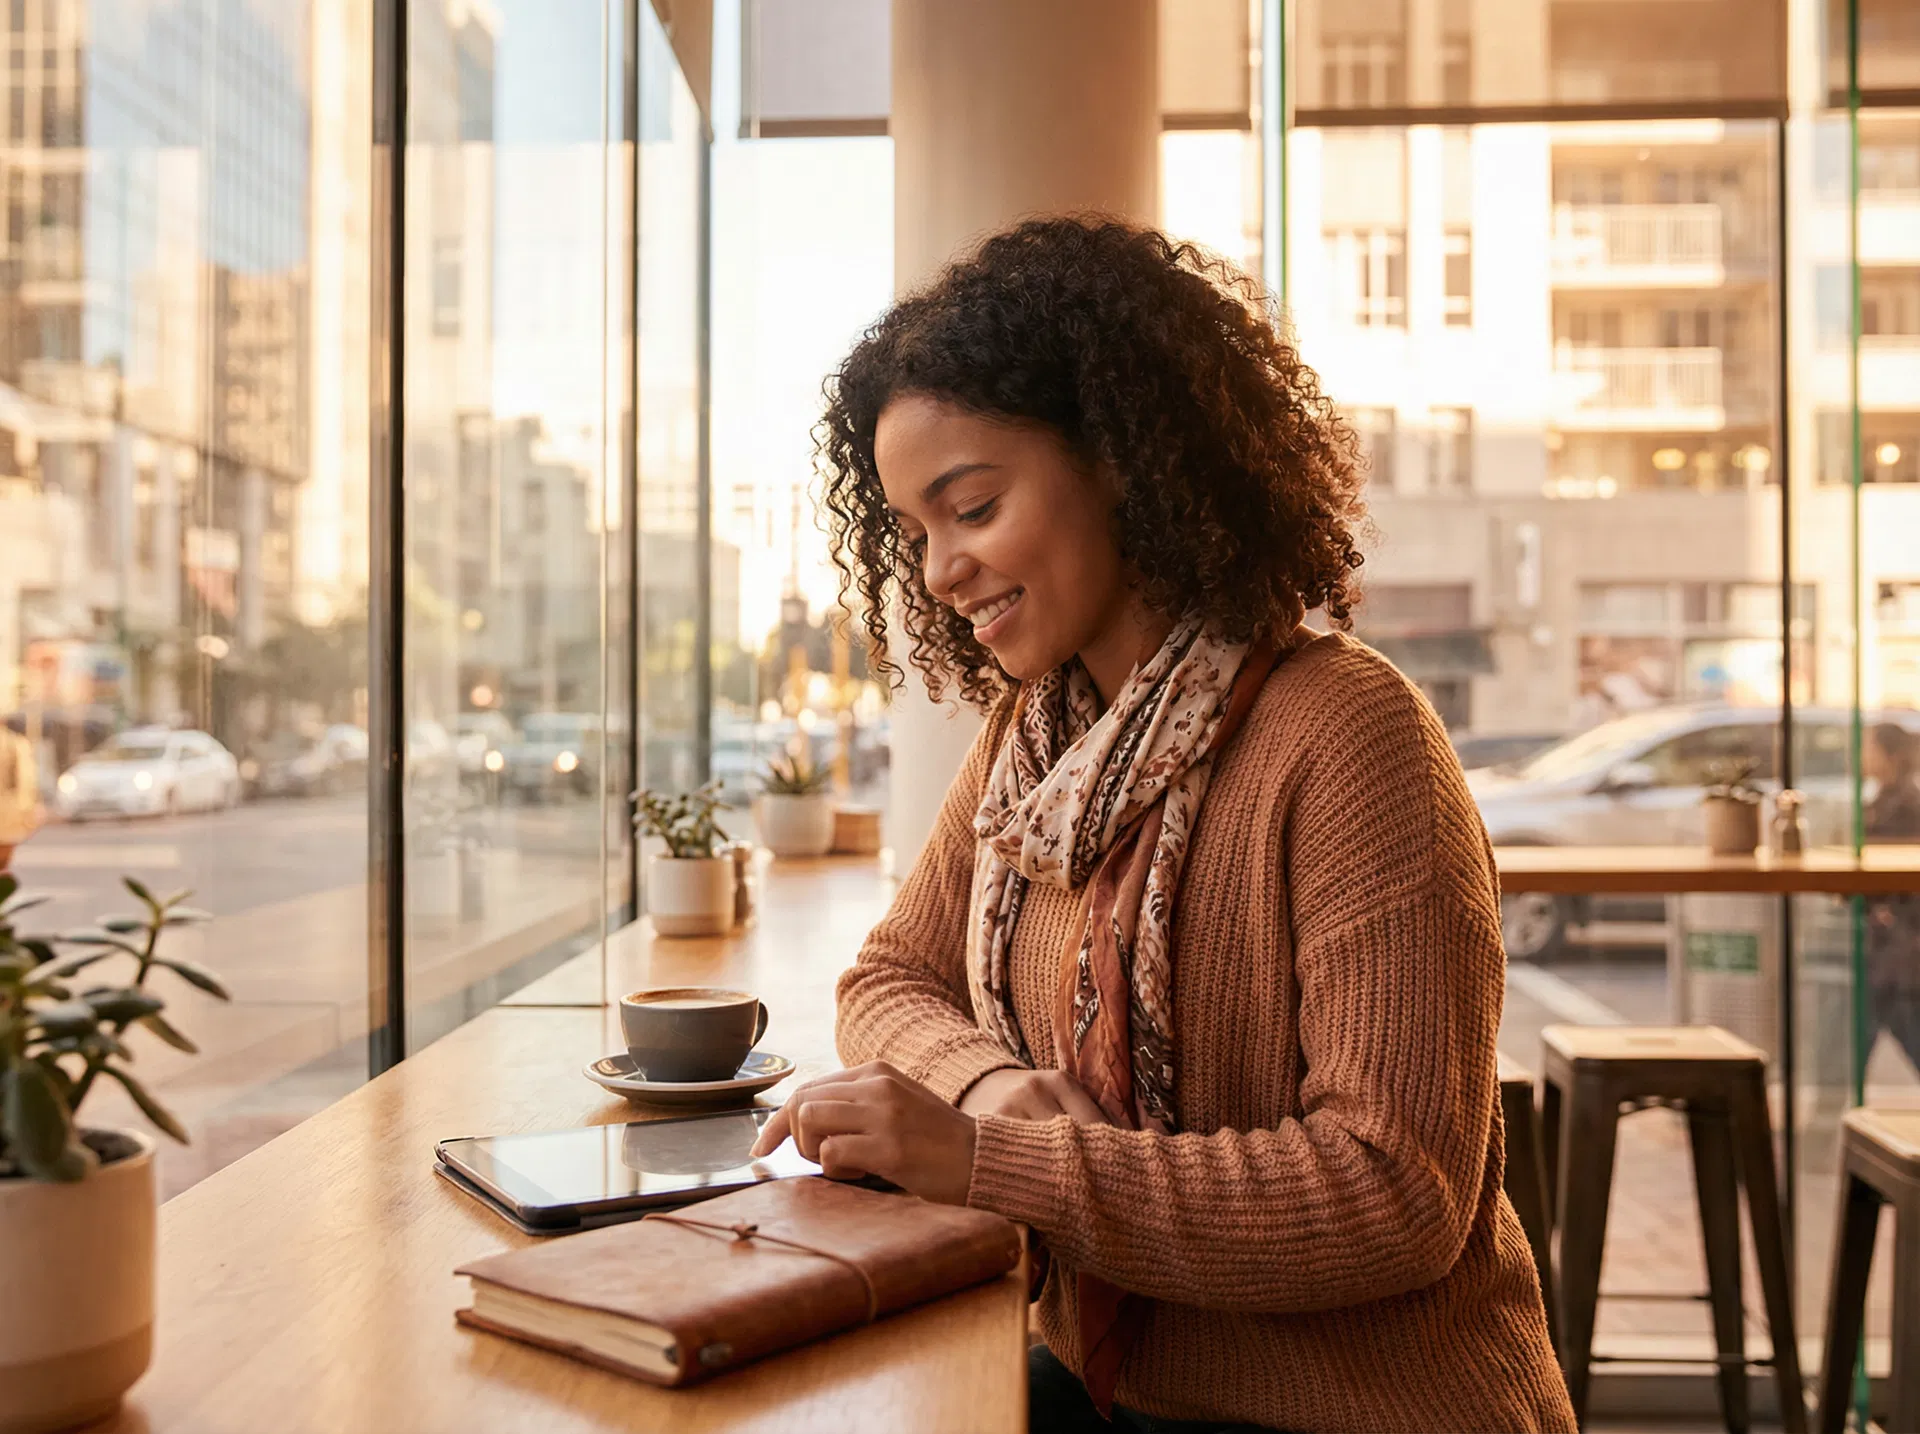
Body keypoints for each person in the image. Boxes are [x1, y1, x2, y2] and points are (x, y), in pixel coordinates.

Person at [750, 217, 1573, 1433]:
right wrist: (994, 1091)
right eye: (915, 533)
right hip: (1113, 1384)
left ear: (1126, 460)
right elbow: (889, 980)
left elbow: (1394, 1194)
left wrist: (992, 1165)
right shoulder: (1036, 743)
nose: (935, 571)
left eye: (970, 507)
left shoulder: (1349, 736)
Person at [1864, 720, 1920, 1071]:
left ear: (1889, 755)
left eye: (1868, 748)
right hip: (1890, 949)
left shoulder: (1902, 805)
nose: (1862, 757)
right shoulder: (1888, 799)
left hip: (1896, 949)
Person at [0, 724, 42, 871]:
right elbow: (26, 780)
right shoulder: (15, 743)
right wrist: (27, 811)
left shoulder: (15, 744)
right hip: (6, 815)